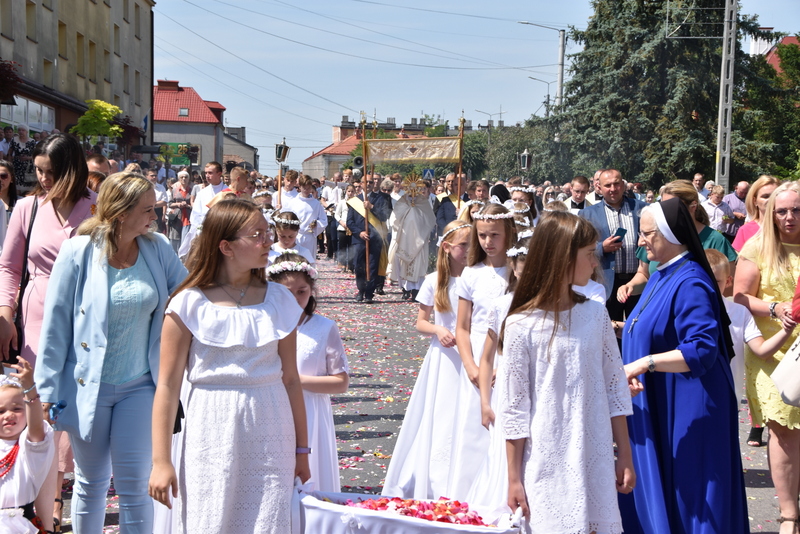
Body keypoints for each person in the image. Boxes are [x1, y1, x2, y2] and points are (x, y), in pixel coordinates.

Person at [34, 173, 187, 533]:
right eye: (147, 209)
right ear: (121, 212)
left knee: (135, 485)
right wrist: (46, 390)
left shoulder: (158, 248)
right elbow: (56, 325)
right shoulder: (78, 251)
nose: (155, 214)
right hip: (89, 384)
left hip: (140, 385)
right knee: (91, 482)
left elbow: (187, 295)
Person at [148, 199, 310, 533]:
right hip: (210, 424)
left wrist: (302, 450)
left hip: (271, 426)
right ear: (226, 246)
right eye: (258, 234)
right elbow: (166, 385)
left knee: (267, 521)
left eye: (268, 232)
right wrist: (161, 460)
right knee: (209, 518)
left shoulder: (280, 300)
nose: (269, 240)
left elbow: (291, 380)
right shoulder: (188, 302)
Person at [502, 212, 634, 533]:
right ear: (562, 258)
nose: (595, 262)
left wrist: (625, 455)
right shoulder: (522, 325)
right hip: (545, 452)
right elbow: (515, 407)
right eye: (589, 254)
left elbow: (615, 387)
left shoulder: (595, 314)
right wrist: (514, 478)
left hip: (593, 448)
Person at [621, 198, 747, 534]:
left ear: (670, 234)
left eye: (647, 234)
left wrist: (644, 363)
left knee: (693, 494)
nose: (640, 241)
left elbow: (702, 349)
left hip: (690, 409)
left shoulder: (690, 279)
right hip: (667, 400)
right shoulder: (664, 274)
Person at [0, 134, 97, 532]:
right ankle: (44, 502)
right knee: (39, 405)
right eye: (38, 170)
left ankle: (57, 495)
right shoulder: (27, 208)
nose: (42, 179)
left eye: (51, 172)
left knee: (74, 410)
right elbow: (8, 268)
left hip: (86, 320)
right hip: (37, 320)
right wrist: (5, 313)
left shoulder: (98, 208)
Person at [382, 221, 471, 500]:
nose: (470, 250)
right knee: (443, 414)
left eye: (472, 245)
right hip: (445, 357)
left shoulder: (477, 278)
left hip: (472, 351)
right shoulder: (435, 280)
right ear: (446, 248)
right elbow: (421, 322)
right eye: (464, 245)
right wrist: (438, 329)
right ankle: (436, 474)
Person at [735, 181, 800, 533]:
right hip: (773, 351)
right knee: (784, 433)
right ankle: (790, 514)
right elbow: (740, 296)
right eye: (782, 211)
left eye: (796, 210)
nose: (789, 217)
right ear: (771, 212)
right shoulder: (757, 246)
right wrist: (776, 308)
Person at [267, 252, 349, 492]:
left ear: (311, 290)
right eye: (286, 292)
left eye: (301, 292)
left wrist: (296, 381)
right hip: (272, 409)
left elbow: (340, 382)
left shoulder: (324, 327)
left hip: (311, 412)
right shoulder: (264, 324)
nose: (294, 299)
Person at [450, 203, 516, 498]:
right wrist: (471, 366)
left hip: (509, 354)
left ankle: (501, 490)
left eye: (495, 235)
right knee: (473, 428)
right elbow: (462, 327)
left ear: (509, 233)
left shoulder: (519, 273)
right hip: (477, 355)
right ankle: (466, 493)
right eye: (483, 235)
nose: (488, 242)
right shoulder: (471, 274)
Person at [465, 236, 528, 524]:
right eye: (522, 263)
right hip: (505, 390)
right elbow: (487, 357)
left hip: (534, 389)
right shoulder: (503, 305)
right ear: (514, 267)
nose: (527, 270)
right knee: (504, 451)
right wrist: (484, 402)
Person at [706, 249, 794, 399]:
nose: (709, 285)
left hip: (729, 394)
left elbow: (761, 349)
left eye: (716, 281)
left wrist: (787, 329)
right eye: (703, 279)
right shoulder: (683, 311)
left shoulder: (739, 312)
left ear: (728, 281)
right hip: (694, 391)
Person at [579, 169, 646, 320]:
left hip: (638, 280)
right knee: (609, 329)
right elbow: (579, 250)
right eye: (608, 185)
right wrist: (601, 248)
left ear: (623, 185)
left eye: (616, 184)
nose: (613, 189)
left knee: (637, 328)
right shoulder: (588, 214)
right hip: (607, 282)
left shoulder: (641, 208)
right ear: (599, 187)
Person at [0, 357, 55, 534]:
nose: (9, 415)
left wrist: (30, 391)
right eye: (1, 411)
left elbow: (37, 427)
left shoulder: (29, 446)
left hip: (22, 525)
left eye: (17, 408)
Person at [387, 177, 436, 301]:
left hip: (419, 240)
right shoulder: (401, 202)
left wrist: (424, 233)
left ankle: (415, 291)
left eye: (416, 189)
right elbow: (394, 219)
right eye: (410, 189)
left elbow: (430, 220)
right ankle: (405, 290)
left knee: (418, 266)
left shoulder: (424, 203)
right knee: (403, 265)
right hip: (404, 239)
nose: (413, 192)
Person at [347, 178, 391, 303]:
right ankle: (361, 290)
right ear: (361, 184)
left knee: (372, 266)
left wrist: (371, 207)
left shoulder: (381, 199)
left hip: (375, 238)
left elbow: (384, 216)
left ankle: (369, 293)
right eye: (366, 182)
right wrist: (359, 232)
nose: (369, 184)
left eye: (370, 182)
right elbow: (350, 221)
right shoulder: (354, 201)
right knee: (359, 266)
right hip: (359, 239)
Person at [732, 175, 782, 252]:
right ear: (755, 201)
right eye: (765, 196)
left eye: (775, 196)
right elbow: (739, 262)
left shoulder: (789, 227)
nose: (770, 200)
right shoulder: (745, 231)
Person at [286, 174, 327, 255]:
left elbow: (323, 220)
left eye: (309, 188)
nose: (306, 190)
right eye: (304, 188)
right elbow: (287, 218)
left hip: (309, 236)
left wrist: (316, 224)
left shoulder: (315, 203)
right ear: (300, 187)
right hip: (296, 236)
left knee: (309, 261)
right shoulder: (293, 202)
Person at [168, 170, 193, 254]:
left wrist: (188, 205)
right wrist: (178, 204)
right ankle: (174, 256)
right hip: (177, 218)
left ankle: (184, 257)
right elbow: (170, 204)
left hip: (188, 217)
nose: (184, 179)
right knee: (175, 238)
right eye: (181, 177)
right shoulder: (175, 190)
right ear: (179, 179)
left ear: (188, 179)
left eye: (186, 177)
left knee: (186, 239)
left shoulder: (192, 190)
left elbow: (195, 204)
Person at [8, 126, 36, 192]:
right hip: (16, 166)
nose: (21, 132)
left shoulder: (32, 141)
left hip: (28, 167)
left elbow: (36, 155)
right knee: (17, 187)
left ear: (27, 132)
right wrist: (9, 165)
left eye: (23, 130)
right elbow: (9, 153)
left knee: (28, 189)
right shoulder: (14, 140)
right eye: (19, 130)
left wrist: (28, 158)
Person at [335, 185, 355, 273]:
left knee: (351, 247)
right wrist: (341, 222)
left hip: (352, 228)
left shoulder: (356, 202)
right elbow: (336, 214)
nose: (350, 193)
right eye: (349, 191)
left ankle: (351, 266)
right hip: (342, 227)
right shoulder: (342, 202)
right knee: (342, 247)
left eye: (352, 191)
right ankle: (343, 264)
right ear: (346, 192)